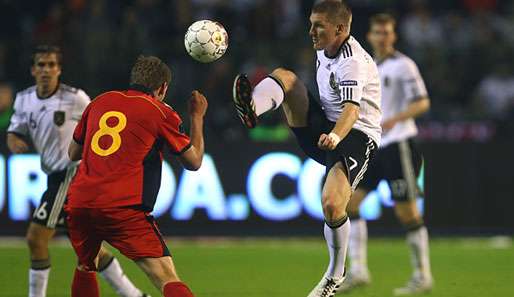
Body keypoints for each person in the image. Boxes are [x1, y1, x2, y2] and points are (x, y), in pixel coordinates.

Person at [232, 1, 381, 296]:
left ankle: (335, 274)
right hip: (325, 126)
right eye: (311, 23)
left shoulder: (352, 60)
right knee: (284, 76)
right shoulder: (323, 48)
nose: (311, 31)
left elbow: (351, 110)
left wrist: (336, 138)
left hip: (355, 135)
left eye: (319, 25)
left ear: (340, 29)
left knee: (331, 204)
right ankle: (252, 110)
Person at [6, 45, 148, 297]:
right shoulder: (24, 99)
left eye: (51, 64)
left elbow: (102, 120)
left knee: (36, 238)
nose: (46, 70)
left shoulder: (76, 98)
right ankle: (135, 295)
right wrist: (14, 141)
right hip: (53, 177)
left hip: (73, 175)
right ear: (33, 70)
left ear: (59, 69)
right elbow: (14, 131)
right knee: (87, 247)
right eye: (41, 64)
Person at [65, 55, 207, 297]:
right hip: (123, 209)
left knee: (86, 264)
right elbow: (193, 162)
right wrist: (197, 117)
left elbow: (73, 153)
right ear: (162, 88)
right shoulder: (160, 112)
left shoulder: (100, 101)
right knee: (165, 276)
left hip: (80, 203)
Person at [340, 13, 433, 295]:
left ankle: (422, 275)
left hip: (399, 144)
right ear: (369, 36)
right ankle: (358, 270)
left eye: (388, 32)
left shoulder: (403, 66)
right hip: (375, 145)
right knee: (350, 204)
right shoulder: (367, 65)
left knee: (407, 212)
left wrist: (396, 118)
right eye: (379, 32)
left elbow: (423, 102)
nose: (383, 37)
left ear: (394, 36)